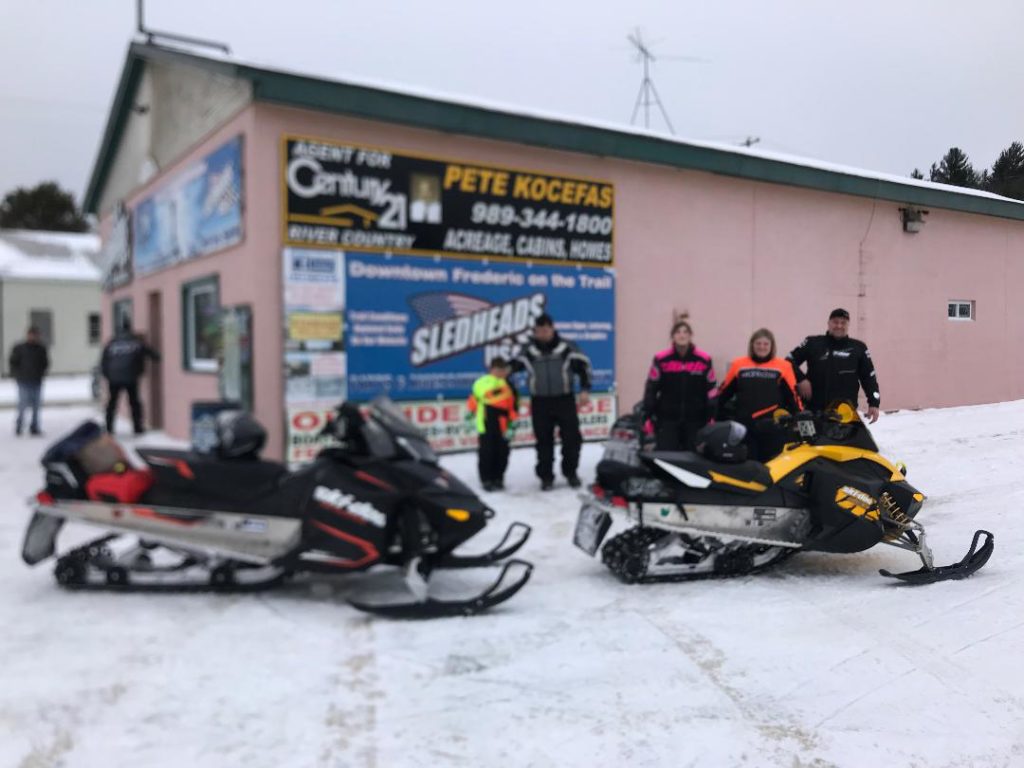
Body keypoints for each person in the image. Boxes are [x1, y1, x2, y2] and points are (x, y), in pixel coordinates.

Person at [511, 313, 592, 491]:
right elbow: (512, 368)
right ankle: (546, 477)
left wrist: (585, 389)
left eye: (545, 330)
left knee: (572, 440)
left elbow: (583, 368)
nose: (542, 334)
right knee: (543, 442)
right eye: (538, 331)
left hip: (565, 400)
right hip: (539, 401)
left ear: (552, 328)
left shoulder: (567, 347)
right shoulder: (528, 350)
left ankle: (571, 473)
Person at [717, 328, 802, 460]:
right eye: (758, 343)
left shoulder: (783, 366)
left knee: (771, 465)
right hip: (744, 425)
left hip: (772, 426)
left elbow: (793, 396)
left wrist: (800, 416)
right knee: (746, 464)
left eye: (765, 344)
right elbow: (723, 393)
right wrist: (714, 414)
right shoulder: (738, 365)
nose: (762, 347)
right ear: (752, 345)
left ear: (772, 346)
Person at [787, 308, 881, 423]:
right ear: (829, 323)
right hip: (813, 411)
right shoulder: (812, 343)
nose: (839, 326)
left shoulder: (859, 348)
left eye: (843, 323)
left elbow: (869, 377)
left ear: (848, 325)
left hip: (845, 413)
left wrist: (874, 403)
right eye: (835, 322)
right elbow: (788, 361)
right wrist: (801, 379)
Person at [642, 316, 718, 451]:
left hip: (695, 420)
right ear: (672, 336)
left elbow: (712, 389)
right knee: (667, 457)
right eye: (678, 332)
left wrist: (711, 416)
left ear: (690, 336)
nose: (682, 335)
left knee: (693, 459)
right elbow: (651, 388)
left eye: (685, 332)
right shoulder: (661, 359)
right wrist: (648, 415)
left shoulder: (703, 359)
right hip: (667, 419)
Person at [467, 357, 519, 492]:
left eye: (503, 369)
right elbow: (479, 397)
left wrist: (513, 424)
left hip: (503, 424)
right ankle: (486, 479)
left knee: (503, 452)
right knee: (486, 452)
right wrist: (470, 413)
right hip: (486, 422)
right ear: (491, 369)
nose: (500, 372)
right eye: (497, 369)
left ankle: (498, 478)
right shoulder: (482, 382)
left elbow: (514, 407)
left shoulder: (509, 385)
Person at [101, 319, 161, 435]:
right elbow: (153, 354)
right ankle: (137, 428)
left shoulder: (112, 342)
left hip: (114, 377)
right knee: (134, 403)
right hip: (131, 377)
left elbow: (104, 360)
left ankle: (109, 428)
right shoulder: (136, 342)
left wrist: (107, 375)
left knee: (112, 403)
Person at [9, 326, 49, 436]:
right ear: (27, 335)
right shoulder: (19, 348)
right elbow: (13, 362)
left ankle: (34, 427)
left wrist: (41, 373)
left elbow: (45, 363)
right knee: (22, 405)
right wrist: (16, 375)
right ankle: (19, 426)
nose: (33, 337)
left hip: (37, 381)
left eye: (35, 335)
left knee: (36, 406)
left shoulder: (41, 349)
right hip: (23, 381)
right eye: (31, 334)